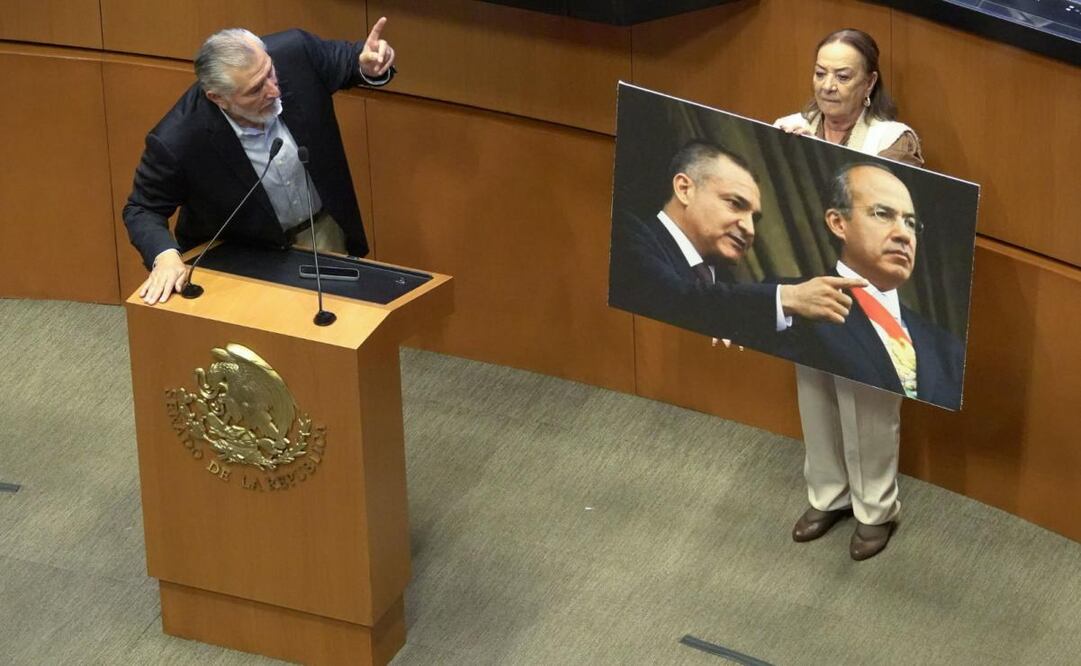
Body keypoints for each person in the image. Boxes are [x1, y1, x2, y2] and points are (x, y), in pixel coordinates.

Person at [774, 28, 927, 560]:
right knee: (815, 394)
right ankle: (828, 496)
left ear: (869, 83)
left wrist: (810, 158)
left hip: (871, 295)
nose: (828, 86)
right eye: (821, 73)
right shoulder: (793, 127)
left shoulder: (893, 139)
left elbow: (899, 212)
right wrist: (780, 151)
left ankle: (875, 511)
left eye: (843, 75)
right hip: (811, 285)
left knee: (867, 406)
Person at [124, 19, 397, 305]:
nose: (273, 90)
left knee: (340, 319)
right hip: (246, 257)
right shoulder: (178, 139)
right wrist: (165, 256)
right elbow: (142, 208)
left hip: (323, 232)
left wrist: (368, 66)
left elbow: (352, 60)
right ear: (218, 98)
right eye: (255, 90)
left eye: (270, 72)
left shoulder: (295, 53)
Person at [609, 140, 866, 342]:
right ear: (685, 189)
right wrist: (786, 298)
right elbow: (674, 300)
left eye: (755, 218)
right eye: (735, 204)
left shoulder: (727, 285)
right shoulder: (624, 235)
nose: (750, 229)